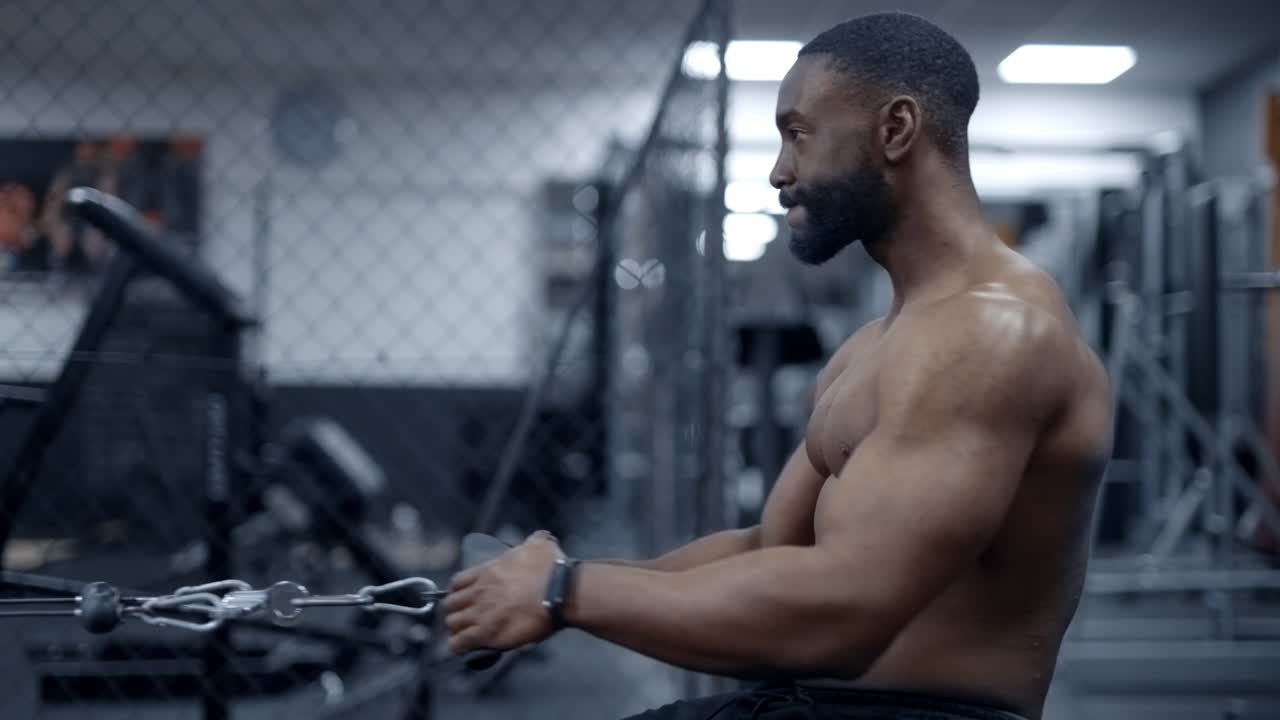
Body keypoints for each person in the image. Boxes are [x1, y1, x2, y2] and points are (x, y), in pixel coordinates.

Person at [444, 12, 1114, 720]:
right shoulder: (875, 345)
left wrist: (564, 591)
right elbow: (768, 546)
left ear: (895, 130)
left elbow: (849, 614)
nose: (778, 171)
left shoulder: (991, 331)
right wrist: (547, 579)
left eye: (798, 134)